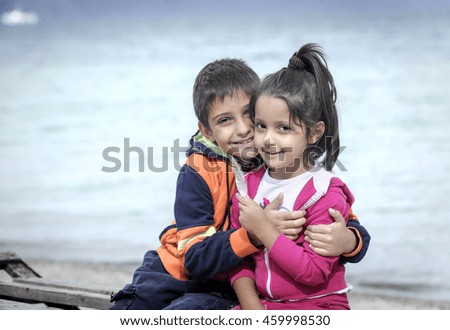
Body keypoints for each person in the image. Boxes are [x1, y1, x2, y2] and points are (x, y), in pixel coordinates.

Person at [110, 57, 370, 310]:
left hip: (230, 286)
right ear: (208, 130)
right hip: (174, 273)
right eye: (225, 120)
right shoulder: (198, 171)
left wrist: (349, 240)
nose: (244, 129)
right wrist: (257, 232)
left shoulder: (274, 160)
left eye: (249, 116)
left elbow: (338, 216)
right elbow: (195, 259)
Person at [230, 43, 359, 310]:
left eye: (283, 128)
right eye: (261, 126)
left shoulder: (324, 194)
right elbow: (236, 259)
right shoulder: (247, 186)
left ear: (313, 133)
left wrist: (263, 229)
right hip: (265, 305)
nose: (268, 138)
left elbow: (313, 273)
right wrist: (252, 308)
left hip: (317, 307)